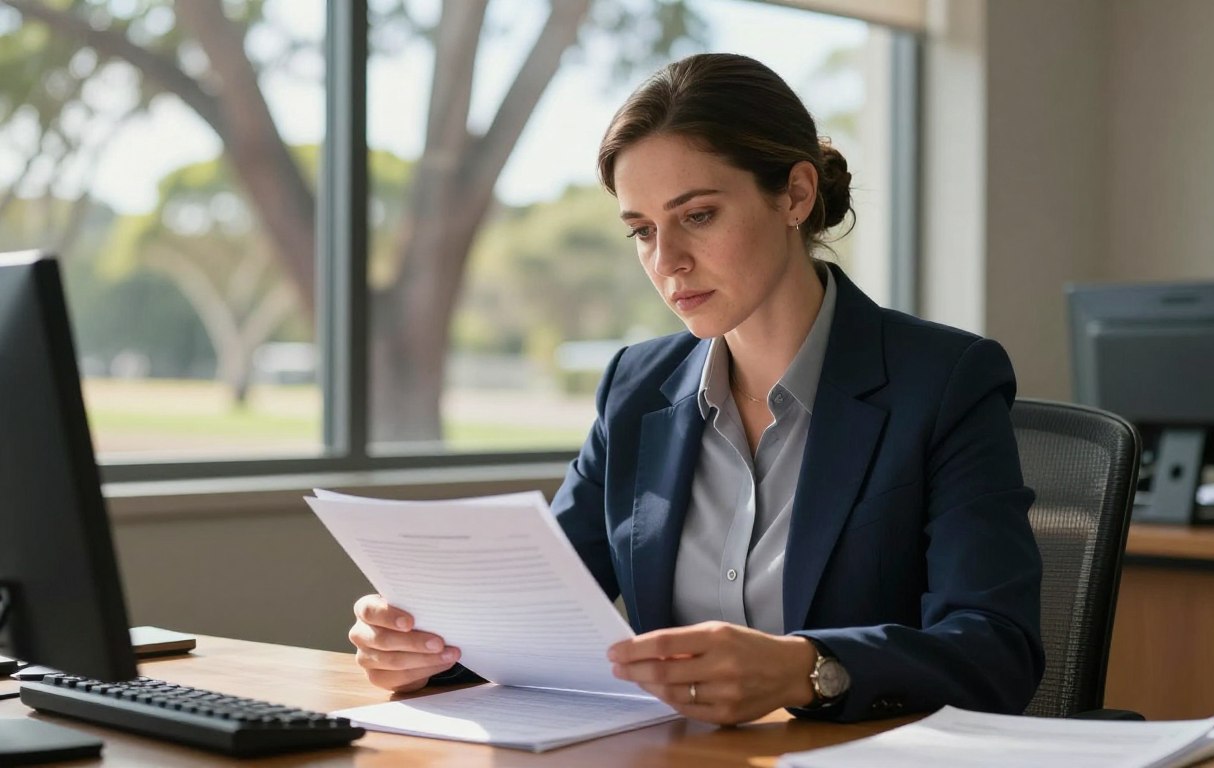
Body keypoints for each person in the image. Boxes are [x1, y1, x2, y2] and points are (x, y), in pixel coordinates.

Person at [348, 52, 1044, 726]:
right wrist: (429, 648)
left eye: (699, 215)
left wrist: (806, 669)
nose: (667, 261)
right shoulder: (636, 387)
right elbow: (539, 613)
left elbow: (996, 651)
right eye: (642, 231)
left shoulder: (944, 381)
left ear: (795, 195)